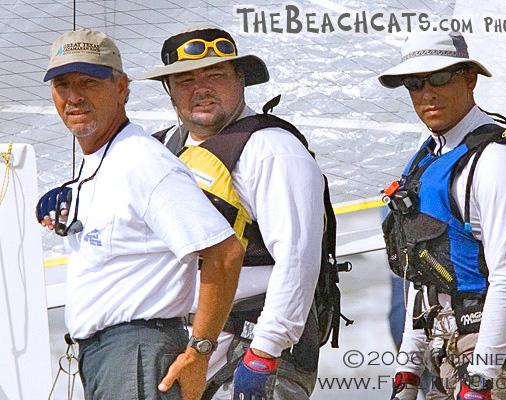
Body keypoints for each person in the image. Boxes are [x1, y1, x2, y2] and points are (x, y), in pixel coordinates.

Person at [36, 28, 245, 400]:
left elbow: (225, 252)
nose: (73, 96)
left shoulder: (143, 162)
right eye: (62, 84)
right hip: (115, 358)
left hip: (136, 355)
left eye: (88, 82)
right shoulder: (108, 159)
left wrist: (199, 351)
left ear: (122, 88)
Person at [140, 24, 325, 400]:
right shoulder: (155, 150)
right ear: (169, 90)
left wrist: (265, 352)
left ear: (240, 79)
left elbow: (298, 258)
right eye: (185, 79)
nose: (201, 88)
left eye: (215, 75)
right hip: (179, 353)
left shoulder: (272, 149)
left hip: (253, 355)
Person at [378, 32, 506, 400]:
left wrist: (481, 380)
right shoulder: (427, 160)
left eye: (440, 78)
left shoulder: (498, 162)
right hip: (446, 353)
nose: (427, 93)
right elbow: (421, 274)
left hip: (501, 363)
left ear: (470, 78)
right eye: (414, 83)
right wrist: (407, 369)